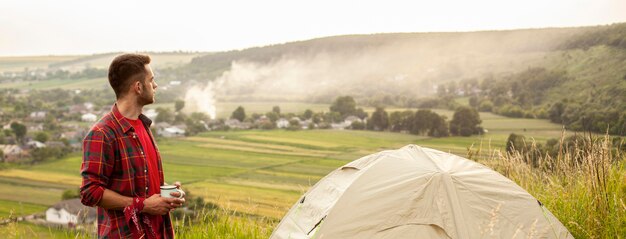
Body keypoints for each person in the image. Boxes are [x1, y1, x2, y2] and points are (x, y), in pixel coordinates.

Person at [80, 53, 185, 239]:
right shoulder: (102, 134)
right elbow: (90, 193)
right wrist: (143, 205)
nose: (155, 85)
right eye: (151, 80)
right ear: (138, 87)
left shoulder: (143, 125)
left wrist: (166, 194)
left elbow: (141, 185)